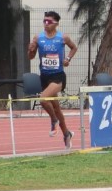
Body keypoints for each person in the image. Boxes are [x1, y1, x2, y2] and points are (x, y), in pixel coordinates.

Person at [28, 10, 78, 148]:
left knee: (43, 99)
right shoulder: (38, 38)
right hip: (45, 77)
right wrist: (31, 50)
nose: (45, 24)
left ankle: (54, 121)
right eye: (44, 21)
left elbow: (74, 47)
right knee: (56, 107)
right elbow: (30, 57)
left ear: (56, 23)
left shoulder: (63, 38)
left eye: (48, 22)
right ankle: (67, 133)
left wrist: (67, 59)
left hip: (58, 77)